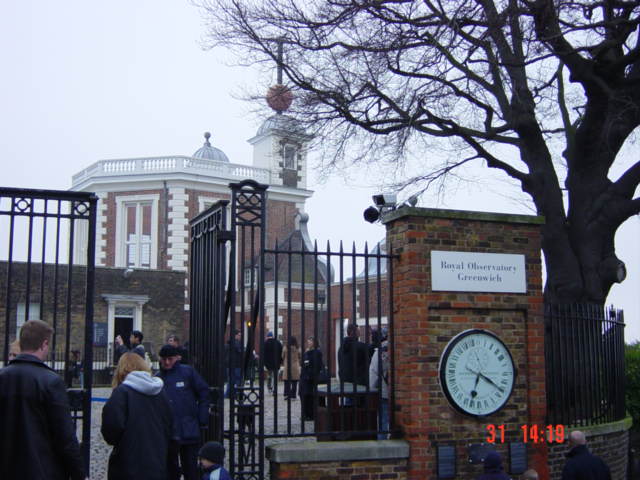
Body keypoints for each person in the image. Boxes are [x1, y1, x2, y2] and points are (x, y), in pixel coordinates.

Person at [0, 320, 87, 480]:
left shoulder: (3, 377)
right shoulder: (51, 381)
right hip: (42, 470)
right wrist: (79, 474)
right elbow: (65, 437)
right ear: (44, 344)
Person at [102, 352, 173, 480]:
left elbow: (111, 431)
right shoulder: (161, 393)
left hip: (128, 464)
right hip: (157, 463)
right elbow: (170, 427)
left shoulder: (122, 393)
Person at [157, 344, 211, 480]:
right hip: (168, 433)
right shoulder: (157, 378)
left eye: (170, 359)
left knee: (191, 469)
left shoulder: (187, 372)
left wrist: (202, 417)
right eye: (164, 359)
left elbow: (204, 392)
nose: (167, 362)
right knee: (170, 470)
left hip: (188, 429)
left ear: (177, 358)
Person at [369, 339, 390, 439]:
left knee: (383, 420)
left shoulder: (380, 351)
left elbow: (374, 372)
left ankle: (383, 441)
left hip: (384, 390)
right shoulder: (398, 346)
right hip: (400, 393)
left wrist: (372, 388)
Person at [299, 336, 324, 421]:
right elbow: (303, 363)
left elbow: (317, 365)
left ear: (314, 343)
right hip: (304, 377)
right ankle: (305, 414)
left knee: (309, 396)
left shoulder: (317, 353)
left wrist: (310, 374)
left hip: (310, 378)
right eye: (308, 341)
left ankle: (310, 414)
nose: (308, 342)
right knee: (303, 395)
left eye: (310, 341)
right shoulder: (307, 352)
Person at [225, 329, 243, 398]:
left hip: (229, 365)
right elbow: (240, 352)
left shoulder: (228, 343)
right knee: (237, 380)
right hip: (236, 364)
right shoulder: (237, 343)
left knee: (230, 381)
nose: (240, 337)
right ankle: (236, 394)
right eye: (239, 335)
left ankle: (227, 395)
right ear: (235, 335)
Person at [282, 336, 301, 400]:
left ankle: (286, 394)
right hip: (295, 366)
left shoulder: (285, 348)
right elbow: (300, 356)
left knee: (286, 381)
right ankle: (293, 395)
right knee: (294, 381)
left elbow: (282, 356)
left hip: (287, 365)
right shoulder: (298, 348)